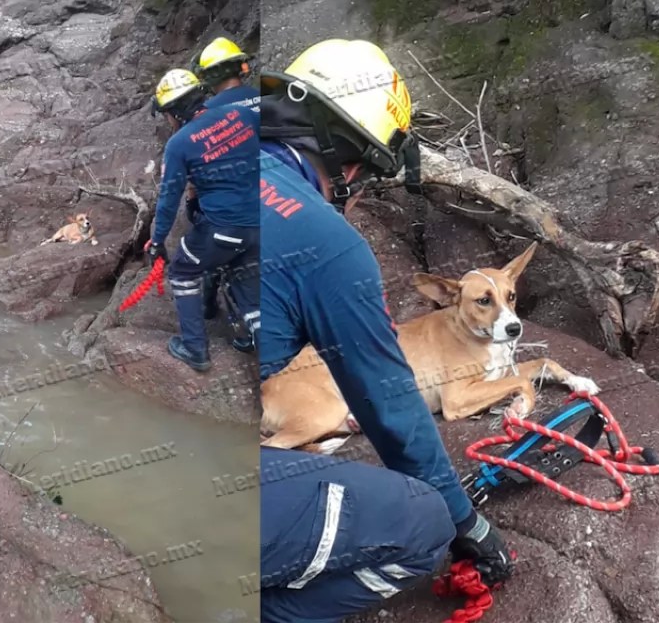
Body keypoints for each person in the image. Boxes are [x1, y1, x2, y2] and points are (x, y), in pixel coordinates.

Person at [259, 39, 513, 623]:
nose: (357, 182)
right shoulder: (327, 242)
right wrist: (464, 522)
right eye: (365, 166)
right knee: (423, 524)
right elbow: (391, 409)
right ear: (341, 145)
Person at [146, 68, 260, 372]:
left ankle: (195, 348)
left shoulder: (179, 143)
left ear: (174, 112)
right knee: (243, 271)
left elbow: (169, 200)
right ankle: (258, 337)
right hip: (263, 221)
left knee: (183, 269)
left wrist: (157, 241)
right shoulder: (242, 116)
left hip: (225, 228)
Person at [190, 36, 260, 325]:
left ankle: (209, 306)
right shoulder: (263, 98)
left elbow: (198, 161)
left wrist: (193, 199)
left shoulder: (206, 113)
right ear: (239, 67)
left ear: (208, 76)